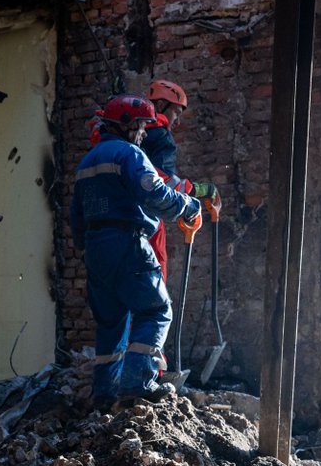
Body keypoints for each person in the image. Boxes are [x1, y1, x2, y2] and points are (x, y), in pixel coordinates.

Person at [71, 94, 201, 407]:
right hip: (127, 241)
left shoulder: (87, 162)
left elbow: (76, 216)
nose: (144, 132)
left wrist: (88, 248)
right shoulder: (129, 154)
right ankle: (138, 381)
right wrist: (187, 206)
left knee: (111, 322)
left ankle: (104, 392)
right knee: (156, 310)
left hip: (95, 248)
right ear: (126, 124)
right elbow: (153, 192)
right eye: (141, 125)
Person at [140, 78, 220, 281]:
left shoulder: (132, 135)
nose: (177, 120)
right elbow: (165, 186)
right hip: (148, 220)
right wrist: (200, 191)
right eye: (176, 111)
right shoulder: (160, 136)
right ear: (160, 105)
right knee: (155, 286)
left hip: (122, 219)